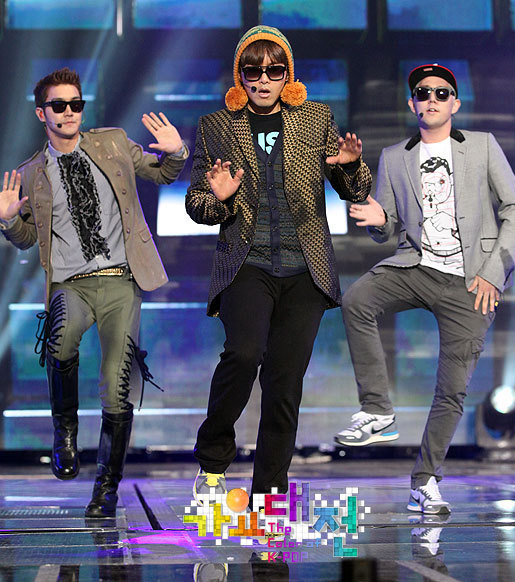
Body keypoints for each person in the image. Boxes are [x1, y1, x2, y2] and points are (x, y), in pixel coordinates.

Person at [186, 26, 372, 503]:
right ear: (240, 76)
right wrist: (219, 198)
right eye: (254, 71)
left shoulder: (315, 118)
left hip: (304, 268)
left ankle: (269, 494)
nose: (264, 79)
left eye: (274, 70)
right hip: (246, 263)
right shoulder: (216, 126)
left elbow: (354, 190)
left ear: (288, 75)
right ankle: (213, 459)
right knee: (244, 353)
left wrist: (350, 165)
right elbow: (197, 205)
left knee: (284, 383)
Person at [0, 67, 188, 517]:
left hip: (121, 280)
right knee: (60, 342)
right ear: (41, 113)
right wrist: (7, 220)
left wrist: (177, 152)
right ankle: (64, 432)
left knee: (116, 389)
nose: (69, 112)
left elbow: (163, 173)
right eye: (59, 105)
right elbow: (27, 238)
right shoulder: (30, 173)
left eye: (76, 104)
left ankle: (106, 488)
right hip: (70, 284)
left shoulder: (114, 142)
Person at [335, 63, 515, 513]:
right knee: (357, 299)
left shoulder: (482, 145)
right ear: (412, 104)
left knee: (451, 389)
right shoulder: (394, 156)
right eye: (423, 93)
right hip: (416, 266)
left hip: (472, 280)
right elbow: (387, 228)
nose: (432, 99)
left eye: (442, 93)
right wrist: (379, 220)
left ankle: (424, 480)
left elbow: (514, 209)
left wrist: (493, 272)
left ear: (454, 103)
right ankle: (377, 410)